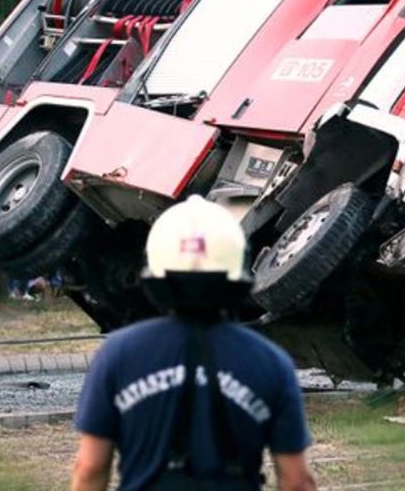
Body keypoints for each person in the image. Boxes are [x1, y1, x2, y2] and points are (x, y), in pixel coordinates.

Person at [70, 196, 316, 491]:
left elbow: (90, 469)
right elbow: (296, 481)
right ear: (236, 269)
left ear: (156, 270)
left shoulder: (118, 355)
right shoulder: (269, 361)